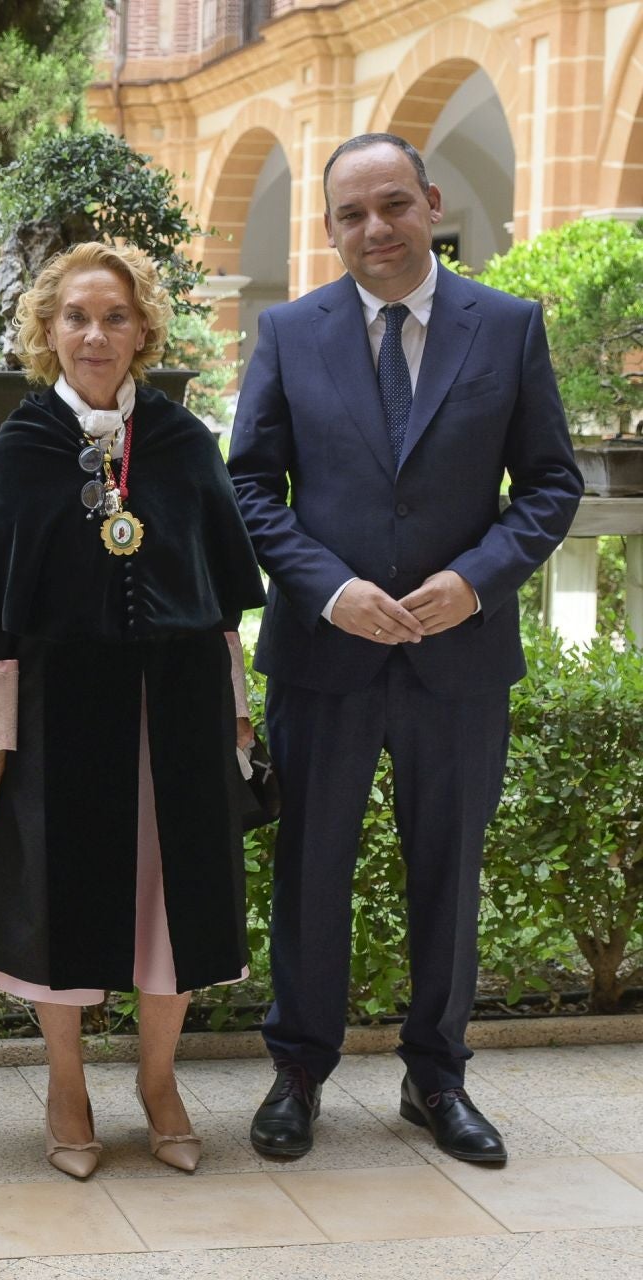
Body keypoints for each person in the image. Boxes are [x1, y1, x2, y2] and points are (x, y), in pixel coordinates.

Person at [229, 133, 582, 1163]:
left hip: (457, 662)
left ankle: (437, 1077)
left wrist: (474, 580)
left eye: (392, 205)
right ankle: (298, 1069)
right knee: (310, 870)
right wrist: (329, 589)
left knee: (448, 870)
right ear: (330, 227)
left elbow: (552, 484)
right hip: (323, 658)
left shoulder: (508, 327)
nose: (374, 229)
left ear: (429, 201)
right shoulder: (290, 332)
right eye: (351, 215)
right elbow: (250, 485)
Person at [0, 242, 265, 1179]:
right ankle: (67, 1085)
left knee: (175, 908)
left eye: (115, 318)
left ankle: (160, 1083)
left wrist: (236, 721)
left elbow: (223, 601)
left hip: (179, 713)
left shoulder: (182, 440)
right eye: (77, 317)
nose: (96, 334)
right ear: (48, 331)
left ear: (143, 331)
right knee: (58, 906)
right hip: (56, 717)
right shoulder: (22, 447)